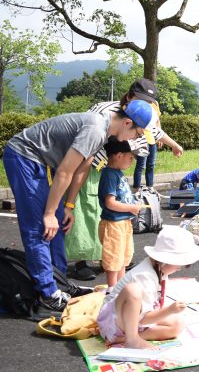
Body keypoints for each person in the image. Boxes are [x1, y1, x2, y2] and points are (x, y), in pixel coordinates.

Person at [2, 100, 156, 311]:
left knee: (57, 223)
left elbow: (80, 170)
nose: (135, 138)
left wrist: (68, 206)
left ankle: (59, 282)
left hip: (42, 160)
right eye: (137, 134)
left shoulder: (104, 134)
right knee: (39, 226)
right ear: (128, 122)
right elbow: (65, 171)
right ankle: (48, 292)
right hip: (23, 155)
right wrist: (48, 213)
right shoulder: (95, 128)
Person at [66, 78, 184, 281]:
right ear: (129, 96)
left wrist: (174, 145)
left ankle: (107, 258)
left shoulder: (140, 115)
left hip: (107, 167)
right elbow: (86, 135)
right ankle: (79, 261)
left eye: (149, 103)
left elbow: (156, 131)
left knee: (102, 213)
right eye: (140, 100)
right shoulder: (105, 110)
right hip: (87, 162)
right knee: (85, 210)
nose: (144, 105)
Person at [96, 226, 199, 349]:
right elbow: (143, 319)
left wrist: (168, 311)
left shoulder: (159, 269)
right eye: (179, 263)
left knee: (178, 324)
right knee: (132, 290)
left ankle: (124, 338)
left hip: (132, 319)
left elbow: (152, 306)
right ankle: (132, 339)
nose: (180, 267)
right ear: (164, 260)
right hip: (114, 323)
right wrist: (170, 310)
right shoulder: (144, 275)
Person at [98, 139, 142, 287]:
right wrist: (131, 208)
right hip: (113, 224)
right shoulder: (109, 175)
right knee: (113, 260)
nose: (132, 161)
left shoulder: (118, 173)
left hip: (123, 222)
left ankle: (120, 287)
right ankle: (112, 291)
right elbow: (110, 203)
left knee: (123, 258)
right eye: (130, 157)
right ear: (118, 155)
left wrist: (132, 205)